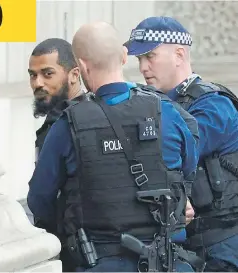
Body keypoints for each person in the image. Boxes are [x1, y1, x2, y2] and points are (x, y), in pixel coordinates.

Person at [27, 21, 203, 272]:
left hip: (100, 261)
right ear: (123, 57)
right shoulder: (168, 112)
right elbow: (188, 169)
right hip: (168, 263)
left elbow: (39, 200)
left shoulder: (68, 126)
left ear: (82, 66)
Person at [125, 16, 238, 272]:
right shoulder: (156, 105)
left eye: (149, 56)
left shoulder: (213, 105)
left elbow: (171, 153)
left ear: (178, 55)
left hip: (222, 245)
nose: (143, 68)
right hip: (185, 246)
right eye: (139, 59)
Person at [28, 38, 88, 163]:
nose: (37, 83)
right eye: (33, 75)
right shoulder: (57, 120)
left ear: (74, 75)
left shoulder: (79, 124)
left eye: (48, 74)